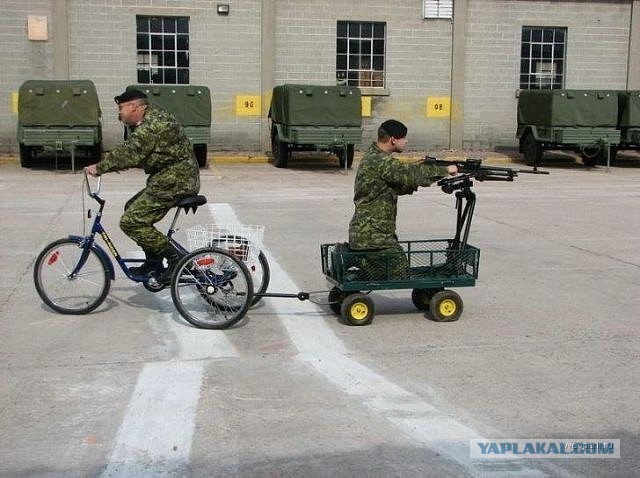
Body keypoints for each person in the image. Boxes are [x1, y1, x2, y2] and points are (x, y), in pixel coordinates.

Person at [85, 88, 200, 281]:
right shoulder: (151, 119)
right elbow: (137, 152)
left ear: (134, 106)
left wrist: (99, 168)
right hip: (170, 179)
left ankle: (175, 260)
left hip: (176, 182)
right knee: (132, 208)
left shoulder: (152, 125)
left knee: (131, 222)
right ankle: (153, 263)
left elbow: (130, 153)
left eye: (121, 108)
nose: (119, 113)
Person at [348, 119, 457, 278]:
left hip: (372, 232)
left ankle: (357, 257)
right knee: (399, 273)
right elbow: (411, 175)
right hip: (373, 237)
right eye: (403, 138)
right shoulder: (382, 162)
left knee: (399, 270)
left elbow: (397, 183)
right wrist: (446, 169)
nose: (406, 141)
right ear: (393, 139)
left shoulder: (374, 156)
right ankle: (352, 258)